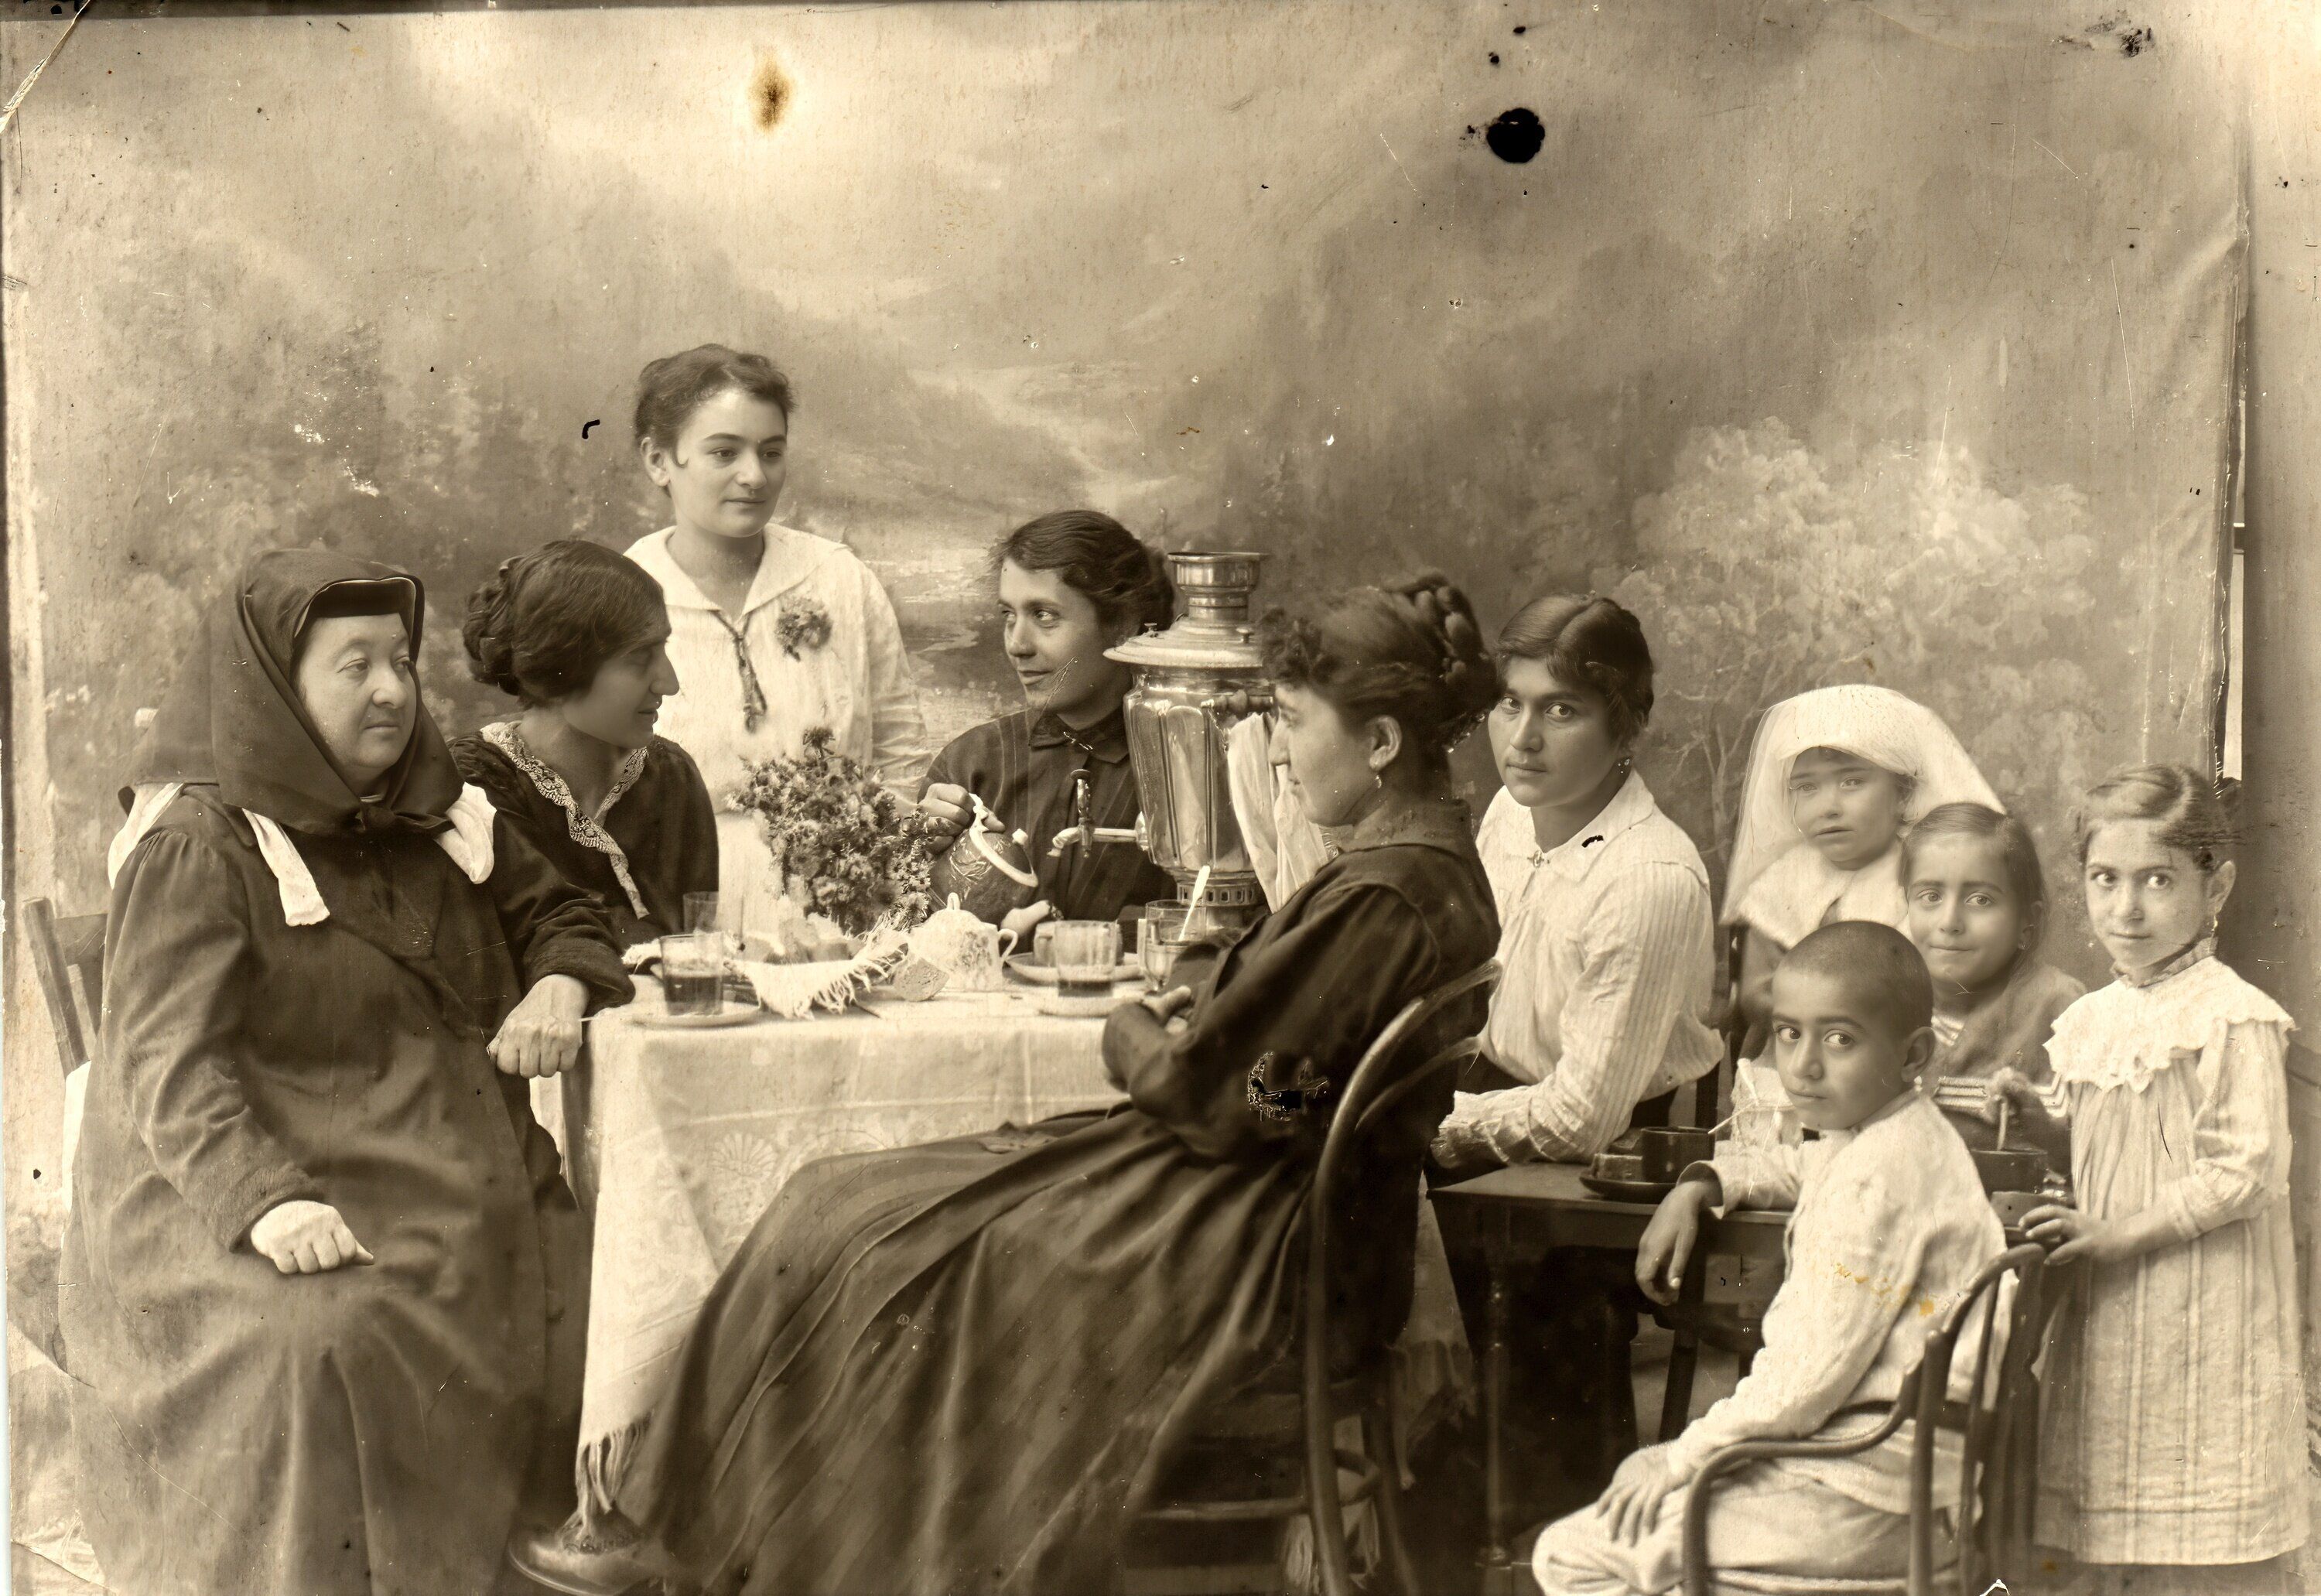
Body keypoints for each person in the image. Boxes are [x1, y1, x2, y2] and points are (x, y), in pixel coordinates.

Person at [564, 575, 1502, 1596]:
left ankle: (723, 1544)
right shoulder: (1430, 865)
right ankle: (699, 1532)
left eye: (1289, 721)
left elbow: (1240, 1103)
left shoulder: (1384, 889)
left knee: (871, 1231)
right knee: (851, 1206)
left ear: (1379, 744)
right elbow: (1286, 1078)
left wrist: (1139, 1032)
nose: (1275, 749)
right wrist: (1223, 1012)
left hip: (1246, 1240)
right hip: (1270, 1212)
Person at [61, 549, 632, 1596]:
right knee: (331, 1333)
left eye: (401, 661)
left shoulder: (441, 808)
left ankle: (517, 1561)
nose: (388, 688)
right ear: (276, 683)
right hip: (235, 1188)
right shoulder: (201, 842)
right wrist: (267, 1203)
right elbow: (164, 1067)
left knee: (594, 1267)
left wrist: (561, 983)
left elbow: (561, 911)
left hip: (440, 1163)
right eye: (354, 663)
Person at [1533, 922, 2004, 1596]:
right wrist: (1706, 1181)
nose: (1804, 1064)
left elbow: (1802, 1383)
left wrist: (1678, 1456)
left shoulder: (1875, 1177)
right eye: (1789, 1033)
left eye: (1840, 1039)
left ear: (1913, 1053)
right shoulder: (1901, 1136)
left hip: (1859, 1496)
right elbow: (1805, 1162)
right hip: (1910, 1486)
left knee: (1574, 1554)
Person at [1424, 593, 1721, 1520]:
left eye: (1563, 709)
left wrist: (1420, 1126)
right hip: (1479, 1112)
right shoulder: (1514, 820)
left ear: (1626, 723)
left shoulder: (1647, 877)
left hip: (1586, 1182)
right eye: (1512, 703)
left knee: (1534, 1449)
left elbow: (1578, 1114)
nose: (1524, 736)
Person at [1992, 766, 2306, 1593]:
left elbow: (2245, 1169)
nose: (2127, 909)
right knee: (2108, 1485)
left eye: (2157, 880)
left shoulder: (2229, 1014)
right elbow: (2092, 1146)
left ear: (2217, 885)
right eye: (2106, 879)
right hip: (2111, 1300)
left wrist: (2115, 1232)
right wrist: (2038, 1118)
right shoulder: (2092, 1017)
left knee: (2193, 1500)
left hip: (2202, 1298)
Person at [622, 343, 929, 931]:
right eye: (724, 452)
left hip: (841, 912)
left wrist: (875, 885)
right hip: (675, 913)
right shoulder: (621, 594)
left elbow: (900, 753)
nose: (754, 476)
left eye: (771, 452)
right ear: (660, 460)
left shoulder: (839, 578)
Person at [1722, 684, 2000, 1134]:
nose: (1828, 807)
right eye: (1806, 787)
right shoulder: (1782, 882)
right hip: (1794, 1079)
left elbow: (1953, 988)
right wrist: (1831, 1008)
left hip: (1899, 1080)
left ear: (1904, 793)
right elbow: (1756, 990)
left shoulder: (1927, 878)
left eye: (1852, 782)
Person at [916, 509, 1178, 936]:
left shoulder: (1181, 769)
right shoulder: (970, 766)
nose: (1017, 645)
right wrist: (918, 854)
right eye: (1008, 614)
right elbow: (908, 932)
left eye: (1044, 615)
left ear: (1124, 625)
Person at [452, 539, 718, 947]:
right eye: (637, 658)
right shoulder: (476, 785)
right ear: (560, 667)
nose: (670, 683)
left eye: (662, 650)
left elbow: (699, 947)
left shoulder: (672, 775)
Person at [1898, 801, 2083, 1153]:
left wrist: (2040, 1126)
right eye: (1930, 896)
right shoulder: (1886, 1001)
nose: (1949, 921)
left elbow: (2085, 1153)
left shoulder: (2058, 1007)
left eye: (1980, 900)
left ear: (2026, 923)